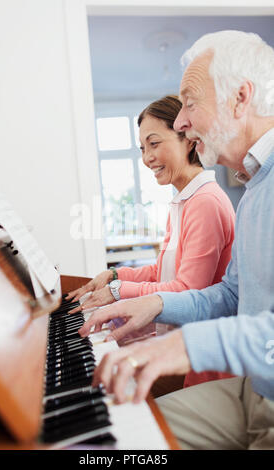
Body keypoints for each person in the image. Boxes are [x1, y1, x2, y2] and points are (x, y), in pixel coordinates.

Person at [80, 30, 274, 450]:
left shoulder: (221, 196)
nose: (183, 122)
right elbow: (229, 294)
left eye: (189, 102)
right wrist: (152, 302)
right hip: (254, 386)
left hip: (262, 391)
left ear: (240, 97)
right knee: (111, 440)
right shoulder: (255, 188)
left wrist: (181, 342)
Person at [68, 95, 235, 387]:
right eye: (143, 148)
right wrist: (115, 276)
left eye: (154, 144)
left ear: (188, 140)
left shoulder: (205, 201)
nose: (146, 159)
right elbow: (161, 273)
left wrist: (119, 291)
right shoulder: (184, 200)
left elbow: (187, 291)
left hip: (201, 360)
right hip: (181, 342)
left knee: (103, 382)